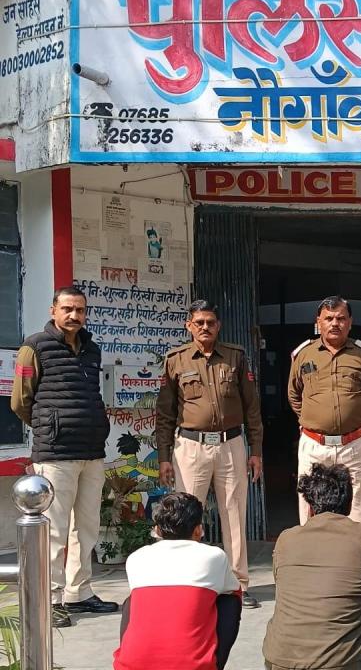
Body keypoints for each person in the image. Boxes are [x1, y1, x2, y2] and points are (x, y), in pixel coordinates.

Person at [11, 285, 118, 628]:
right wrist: (50, 427)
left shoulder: (91, 349)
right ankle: (51, 599)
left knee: (86, 528)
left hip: (92, 452)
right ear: (53, 310)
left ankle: (79, 592)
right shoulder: (34, 347)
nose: (74, 315)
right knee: (54, 531)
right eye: (67, 309)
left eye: (80, 310)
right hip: (56, 453)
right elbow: (20, 401)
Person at [156, 299, 263, 609]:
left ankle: (238, 585)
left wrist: (255, 450)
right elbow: (165, 413)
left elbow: (252, 408)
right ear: (189, 326)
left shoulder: (235, 357)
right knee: (185, 516)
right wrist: (164, 456)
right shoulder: (175, 360)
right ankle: (190, 583)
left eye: (210, 322)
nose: (205, 327)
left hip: (231, 444)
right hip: (190, 446)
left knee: (234, 513)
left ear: (219, 326)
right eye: (199, 322)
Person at [263, 463, 361, 670]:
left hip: (279, 661)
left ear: (310, 507)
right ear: (349, 504)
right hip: (340, 664)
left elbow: (279, 581)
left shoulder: (285, 539)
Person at [288, 296, 361, 528]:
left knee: (360, 512)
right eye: (329, 318)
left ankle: (357, 552)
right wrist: (315, 420)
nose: (335, 323)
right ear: (318, 322)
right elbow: (294, 395)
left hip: (354, 445)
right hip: (314, 445)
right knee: (310, 510)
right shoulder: (303, 354)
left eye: (341, 318)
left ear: (350, 322)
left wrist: (358, 420)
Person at [113, 492, 242, 670]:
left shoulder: (136, 558)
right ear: (198, 530)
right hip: (192, 666)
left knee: (132, 601)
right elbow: (233, 592)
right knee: (230, 599)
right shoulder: (214, 556)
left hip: (130, 666)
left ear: (158, 531)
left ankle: (135, 655)